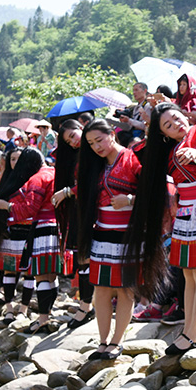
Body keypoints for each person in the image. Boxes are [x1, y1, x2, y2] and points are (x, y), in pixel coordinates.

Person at [124, 103, 196, 356]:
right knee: (189, 273)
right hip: (185, 210)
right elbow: (141, 153)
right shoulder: (168, 148)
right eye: (168, 126)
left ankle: (193, 334)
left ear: (184, 113)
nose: (176, 125)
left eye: (176, 117)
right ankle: (190, 331)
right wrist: (150, 126)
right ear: (164, 134)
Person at [0, 148, 63, 332]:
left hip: (36, 230)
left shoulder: (36, 178)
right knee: (15, 271)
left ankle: (32, 313)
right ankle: (14, 310)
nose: (15, 163)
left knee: (38, 274)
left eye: (18, 160)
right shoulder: (48, 173)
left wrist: (8, 206)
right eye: (12, 159)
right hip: (23, 231)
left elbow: (28, 208)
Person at [73, 119, 141, 359]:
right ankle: (102, 341)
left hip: (128, 233)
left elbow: (155, 191)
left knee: (124, 289)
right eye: (90, 143)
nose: (96, 147)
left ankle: (117, 340)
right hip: (101, 232)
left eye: (99, 140)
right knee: (101, 289)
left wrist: (130, 200)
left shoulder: (134, 158)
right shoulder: (94, 165)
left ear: (112, 134)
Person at [50, 119, 95, 328]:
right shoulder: (79, 154)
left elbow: (94, 181)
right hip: (80, 209)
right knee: (82, 258)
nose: (73, 142)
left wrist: (68, 191)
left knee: (87, 257)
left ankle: (88, 305)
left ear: (81, 127)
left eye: (73, 136)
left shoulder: (95, 150)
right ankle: (86, 305)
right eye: (68, 141)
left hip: (96, 209)